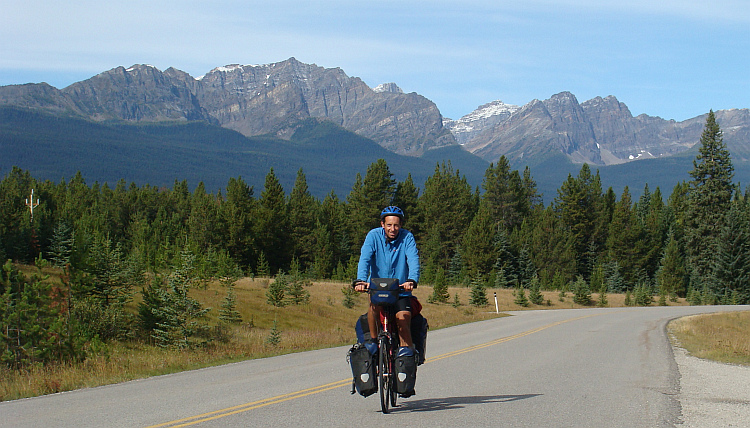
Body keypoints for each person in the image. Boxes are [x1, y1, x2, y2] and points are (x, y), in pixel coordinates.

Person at [354, 206, 421, 359]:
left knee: (403, 319)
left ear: (401, 225)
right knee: (373, 309)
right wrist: (360, 280)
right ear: (382, 224)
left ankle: (407, 357)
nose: (393, 229)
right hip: (378, 289)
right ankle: (373, 342)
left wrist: (412, 279)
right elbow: (364, 258)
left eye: (396, 225)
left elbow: (413, 259)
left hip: (401, 291)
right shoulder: (373, 236)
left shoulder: (407, 237)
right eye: (389, 225)